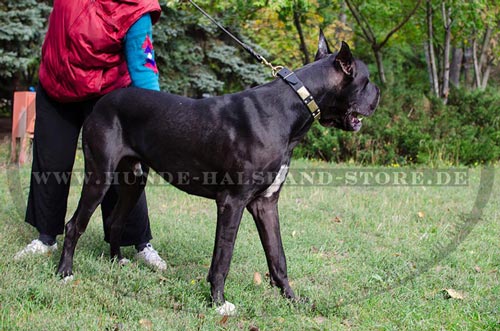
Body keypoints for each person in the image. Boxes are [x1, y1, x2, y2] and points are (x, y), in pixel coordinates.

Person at [14, 0, 166, 271]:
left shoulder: (136, 7)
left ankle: (138, 243)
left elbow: (144, 69)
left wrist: (152, 130)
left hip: (106, 90)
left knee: (123, 168)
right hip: (57, 84)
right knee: (52, 160)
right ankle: (46, 238)